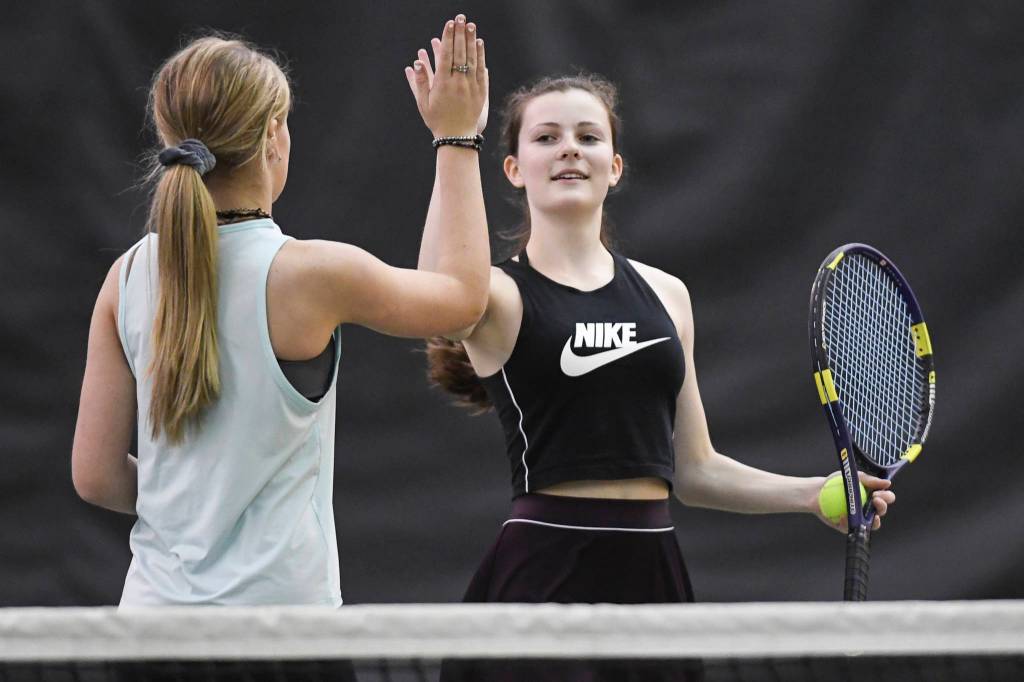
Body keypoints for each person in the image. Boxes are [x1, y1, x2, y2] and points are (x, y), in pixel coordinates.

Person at [417, 71, 896, 679]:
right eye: (546, 138)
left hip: (652, 576)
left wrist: (810, 495)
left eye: (588, 137)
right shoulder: (497, 296)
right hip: (540, 577)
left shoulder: (667, 296)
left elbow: (694, 471)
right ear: (514, 168)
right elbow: (434, 293)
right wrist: (454, 140)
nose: (569, 148)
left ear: (614, 167)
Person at [71, 15, 489, 607]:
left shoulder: (127, 277)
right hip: (285, 633)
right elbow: (463, 303)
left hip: (151, 628)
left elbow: (96, 476)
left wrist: (191, 505)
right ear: (273, 137)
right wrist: (457, 136)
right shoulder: (310, 275)